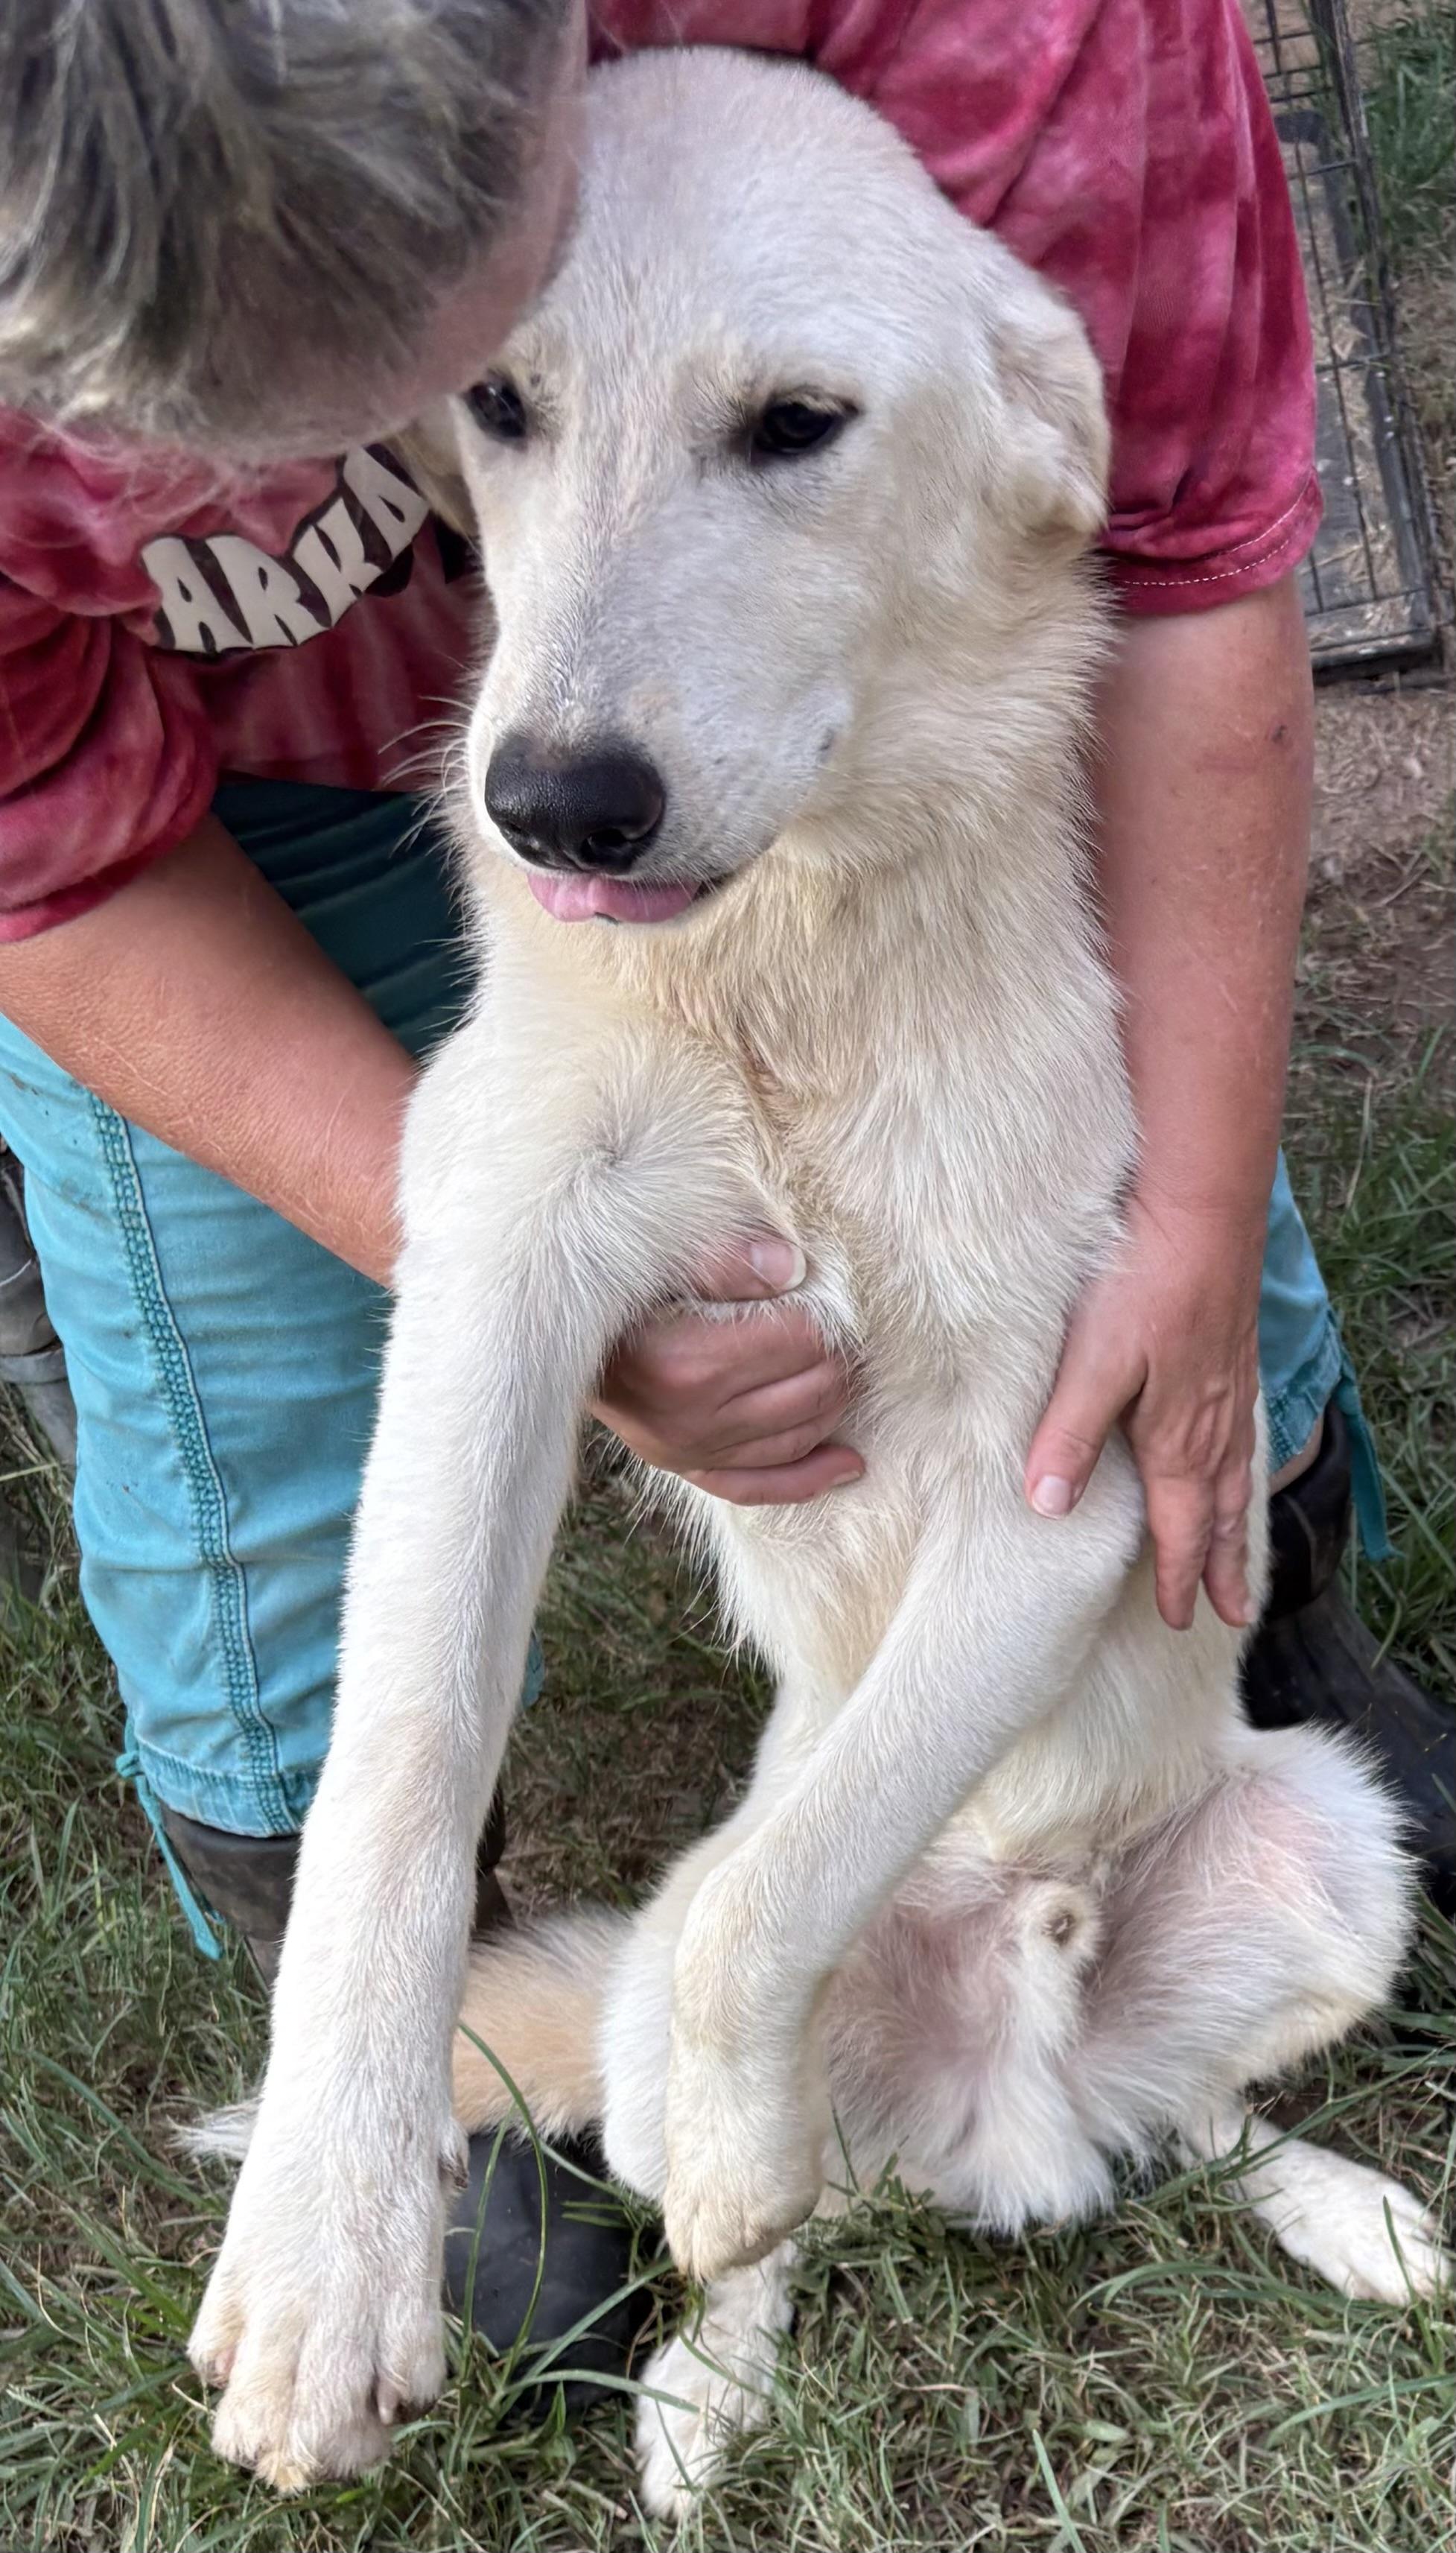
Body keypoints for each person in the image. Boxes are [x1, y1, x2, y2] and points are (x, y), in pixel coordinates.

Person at [0, 0, 1449, 2388]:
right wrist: (480, 1241)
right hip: (201, 812)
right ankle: (395, 2067)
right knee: (277, 1529)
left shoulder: (1008, 49)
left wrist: (1188, 1211)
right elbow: (44, 853)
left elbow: (1176, 544)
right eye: (493, 399)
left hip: (895, 745)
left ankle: (1269, 1692)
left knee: (1168, 1335)